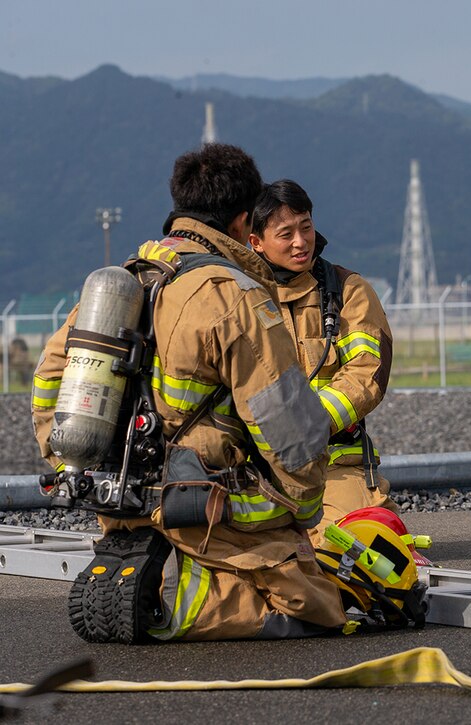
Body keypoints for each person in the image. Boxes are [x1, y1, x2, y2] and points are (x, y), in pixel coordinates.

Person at [31, 144, 349, 641]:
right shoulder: (234, 295)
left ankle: (144, 567)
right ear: (246, 220)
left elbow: (51, 377)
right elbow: (288, 428)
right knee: (322, 605)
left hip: (125, 505)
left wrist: (73, 466)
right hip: (208, 507)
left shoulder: (126, 282)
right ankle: (178, 592)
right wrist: (300, 515)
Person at [248, 179, 397, 542]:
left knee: (349, 545)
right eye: (286, 234)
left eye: (306, 227)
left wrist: (307, 425)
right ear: (256, 242)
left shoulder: (347, 290)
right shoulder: (237, 296)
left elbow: (367, 373)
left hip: (333, 464)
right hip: (253, 467)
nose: (301, 242)